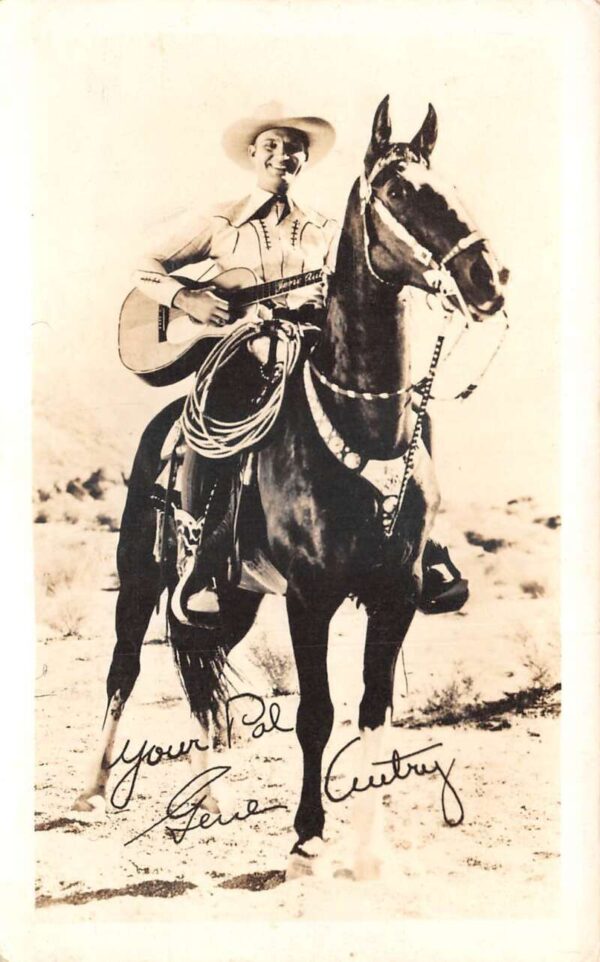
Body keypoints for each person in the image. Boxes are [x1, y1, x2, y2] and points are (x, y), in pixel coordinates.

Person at [131, 102, 467, 626]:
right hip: (241, 350)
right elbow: (142, 265)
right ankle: (205, 555)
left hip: (310, 347)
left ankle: (423, 543)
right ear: (252, 155)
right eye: (270, 146)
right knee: (214, 417)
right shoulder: (218, 220)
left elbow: (360, 283)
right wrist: (188, 299)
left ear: (304, 160)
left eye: (293, 148)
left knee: (406, 408)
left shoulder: (327, 227)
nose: (281, 155)